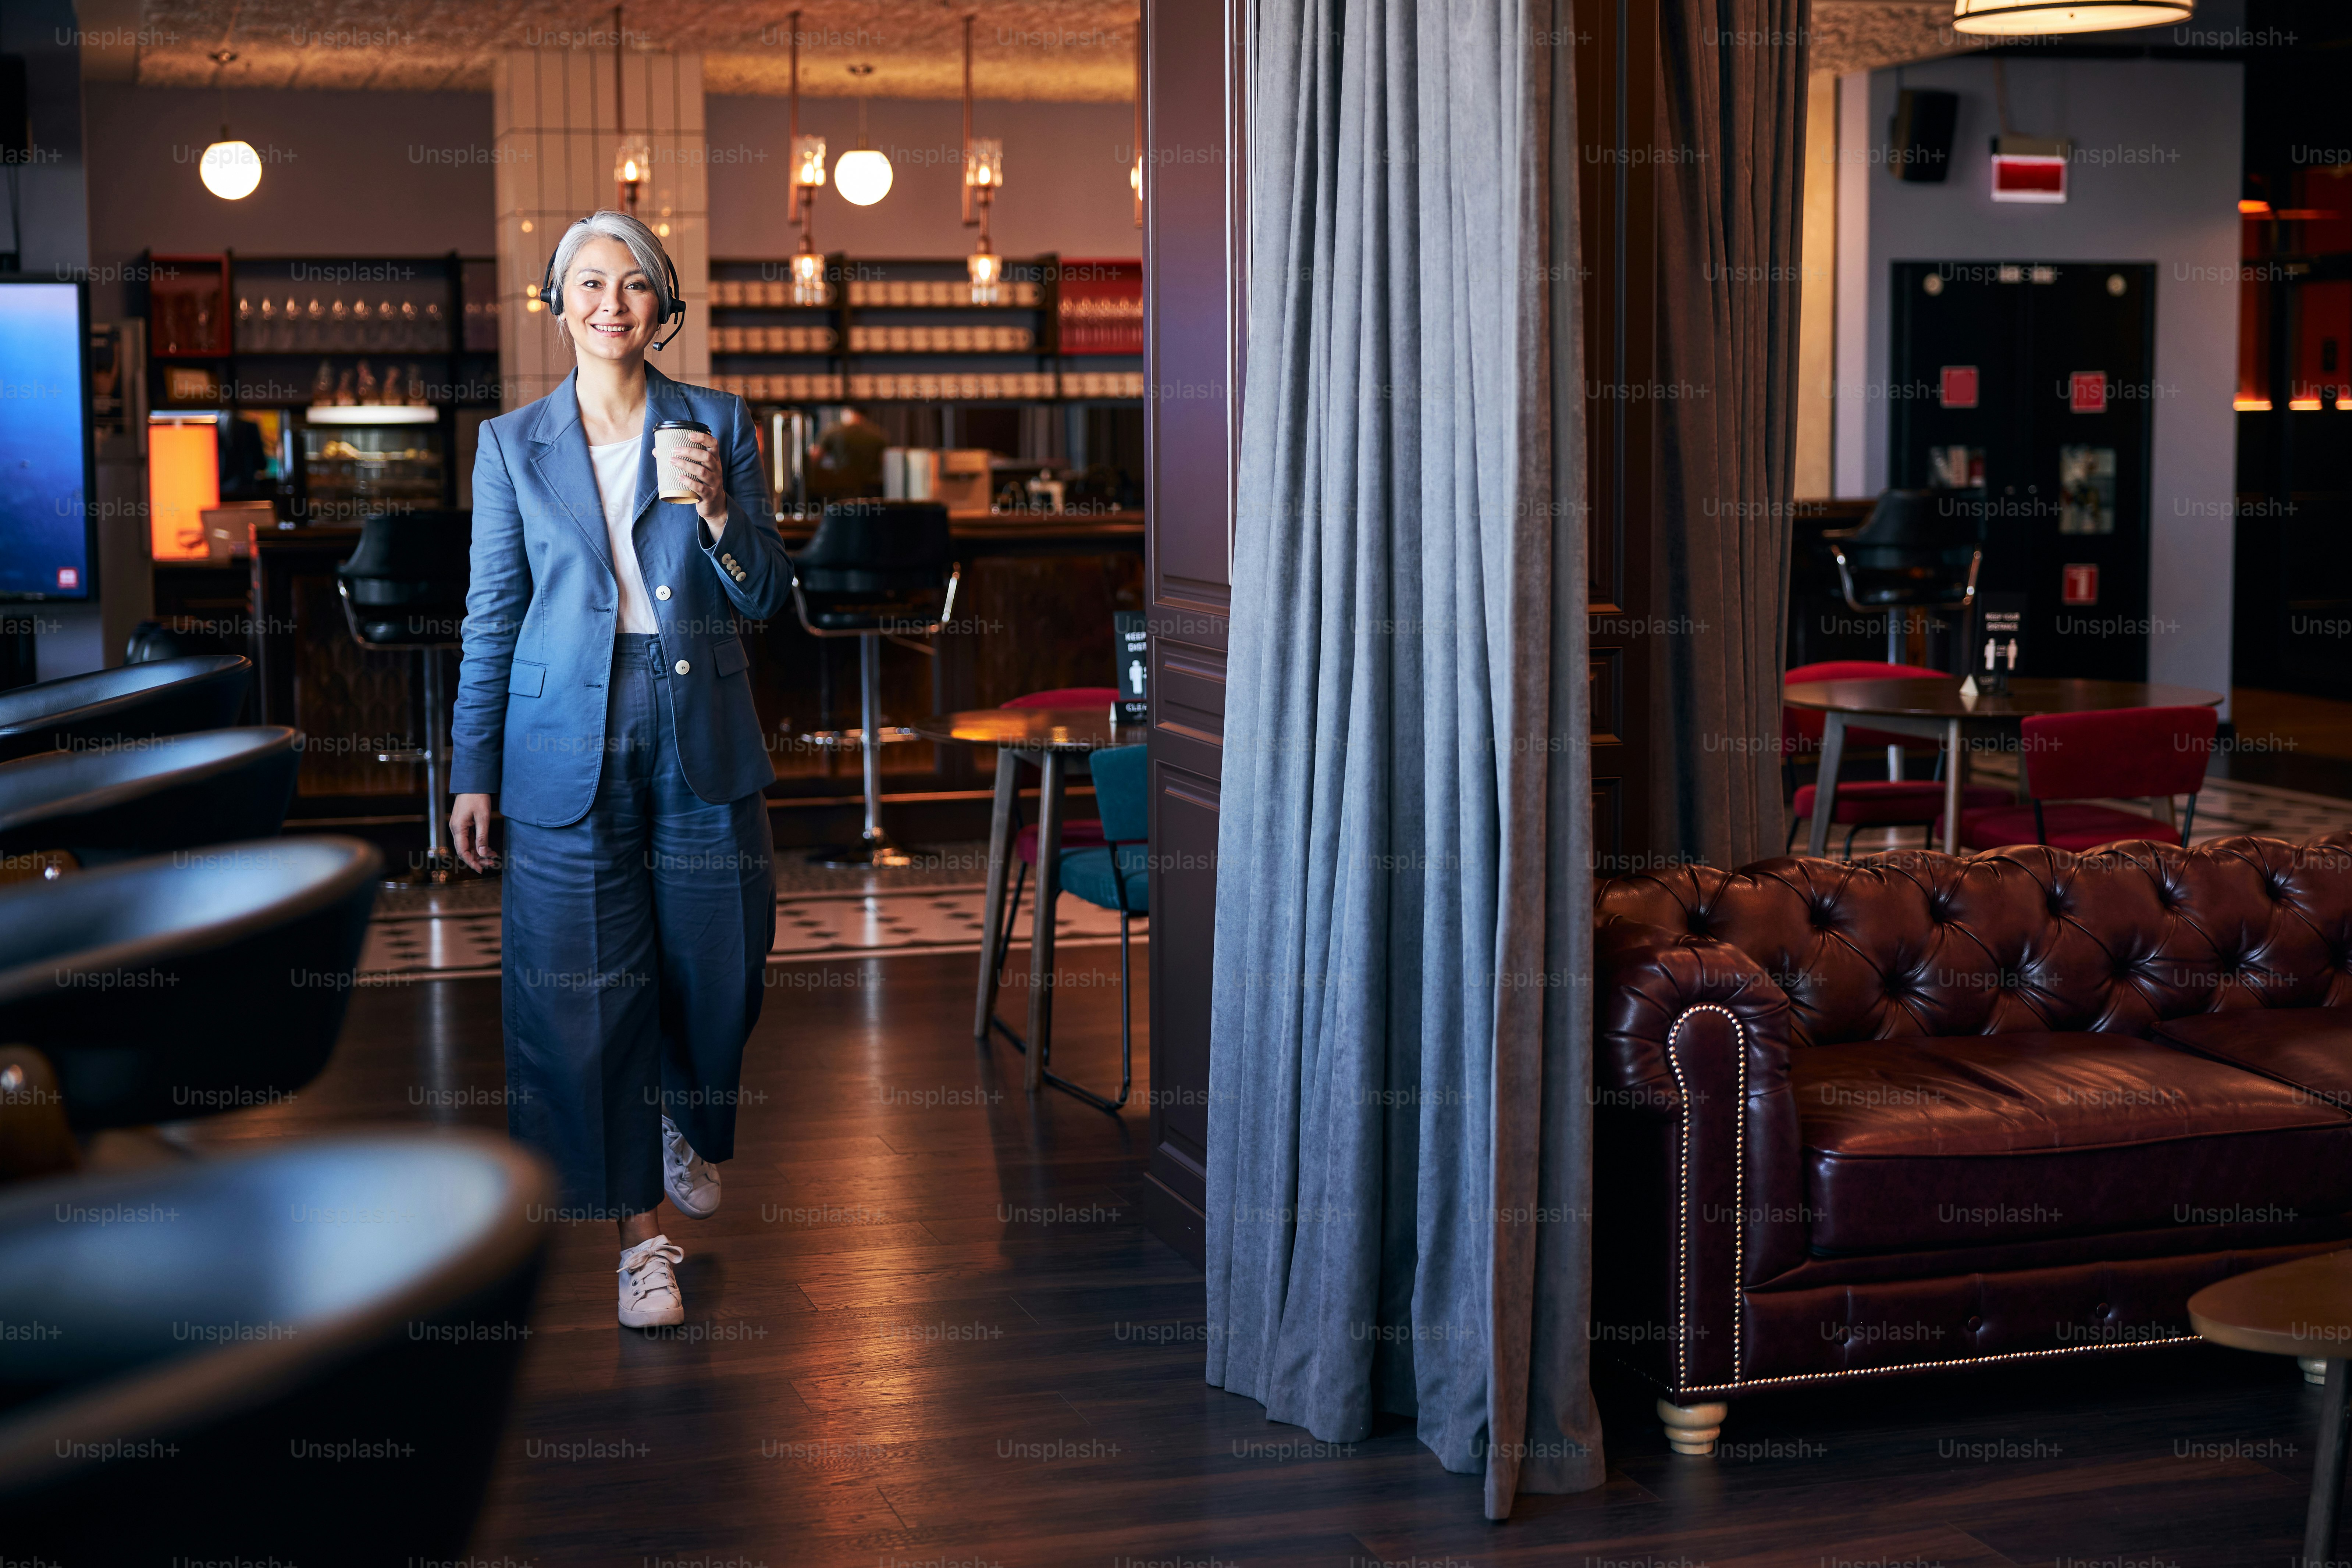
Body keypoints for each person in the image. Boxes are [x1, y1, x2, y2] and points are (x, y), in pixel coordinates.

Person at [448, 210, 790, 1329]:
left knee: (723, 958)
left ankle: (684, 1111)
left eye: (634, 282)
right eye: (588, 282)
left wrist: (720, 510)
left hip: (699, 722)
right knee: (585, 988)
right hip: (560, 733)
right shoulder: (511, 444)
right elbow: (492, 615)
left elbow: (766, 594)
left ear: (663, 306)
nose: (611, 302)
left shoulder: (718, 422)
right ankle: (641, 1246)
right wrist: (472, 767)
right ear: (557, 304)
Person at [806, 406, 887, 498]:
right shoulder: (879, 435)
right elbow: (886, 466)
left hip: (840, 492)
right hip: (869, 493)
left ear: (847, 411)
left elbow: (813, 460)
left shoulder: (833, 432)